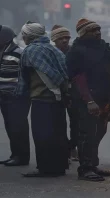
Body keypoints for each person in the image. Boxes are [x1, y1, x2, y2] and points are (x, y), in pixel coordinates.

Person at [66, 18, 110, 181]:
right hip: (86, 100)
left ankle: (93, 165)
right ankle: (85, 169)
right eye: (93, 30)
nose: (97, 33)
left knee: (98, 133)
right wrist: (89, 101)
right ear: (83, 33)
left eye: (98, 29)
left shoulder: (102, 48)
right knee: (86, 134)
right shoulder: (77, 51)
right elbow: (77, 78)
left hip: (103, 98)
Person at [16, 21, 69, 177]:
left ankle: (45, 168)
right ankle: (59, 167)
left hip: (42, 99)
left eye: (24, 35)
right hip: (58, 99)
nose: (23, 38)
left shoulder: (31, 51)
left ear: (29, 36)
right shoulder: (53, 49)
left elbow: (25, 76)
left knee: (42, 135)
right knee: (58, 134)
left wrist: (20, 95)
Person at [0, 25, 30, 166]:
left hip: (17, 97)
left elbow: (25, 75)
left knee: (18, 127)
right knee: (9, 126)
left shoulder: (19, 52)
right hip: (4, 97)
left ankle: (22, 157)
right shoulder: (2, 53)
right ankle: (15, 154)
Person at [51, 24, 78, 161]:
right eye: (61, 38)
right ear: (55, 39)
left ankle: (72, 147)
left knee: (76, 123)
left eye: (67, 37)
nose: (65, 40)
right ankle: (64, 148)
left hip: (73, 92)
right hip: (56, 92)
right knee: (59, 123)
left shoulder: (74, 52)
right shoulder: (50, 53)